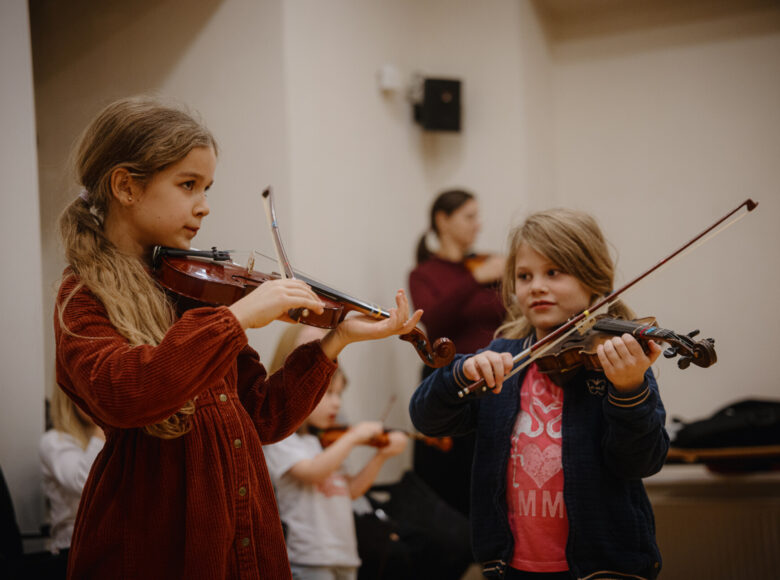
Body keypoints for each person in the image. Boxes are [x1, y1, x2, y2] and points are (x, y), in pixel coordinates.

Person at [53, 96, 422, 580]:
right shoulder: (82, 296)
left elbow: (262, 416)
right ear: (125, 186)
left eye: (206, 188)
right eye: (188, 185)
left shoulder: (192, 291)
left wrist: (334, 342)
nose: (204, 206)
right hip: (151, 541)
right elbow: (127, 393)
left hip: (239, 535)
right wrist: (236, 319)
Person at [409, 208, 669, 579]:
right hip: (511, 566)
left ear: (593, 278)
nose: (536, 286)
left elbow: (640, 462)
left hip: (603, 569)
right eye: (524, 276)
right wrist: (457, 374)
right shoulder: (502, 355)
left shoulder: (615, 360)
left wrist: (629, 391)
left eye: (554, 272)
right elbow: (426, 419)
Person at [263, 324, 408, 580]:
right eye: (328, 393)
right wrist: (353, 438)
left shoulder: (325, 442)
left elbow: (349, 490)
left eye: (339, 394)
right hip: (309, 557)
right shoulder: (282, 440)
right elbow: (312, 472)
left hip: (345, 555)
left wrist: (381, 456)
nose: (337, 403)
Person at [408, 189, 505, 516]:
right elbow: (433, 320)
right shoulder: (424, 274)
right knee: (452, 483)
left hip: (496, 378)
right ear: (442, 221)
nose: (478, 225)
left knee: (494, 475)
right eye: (469, 217)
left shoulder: (489, 266)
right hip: (450, 381)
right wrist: (474, 278)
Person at [38, 386, 105, 576]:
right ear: (70, 397)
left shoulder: (101, 438)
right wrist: (104, 424)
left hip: (104, 546)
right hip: (72, 552)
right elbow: (84, 483)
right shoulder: (53, 441)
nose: (96, 401)